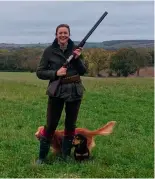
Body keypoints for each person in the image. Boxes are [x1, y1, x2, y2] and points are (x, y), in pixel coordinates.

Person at [35, 24, 87, 164]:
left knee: (71, 124)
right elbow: (40, 72)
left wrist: (77, 58)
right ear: (56, 34)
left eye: (65, 33)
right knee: (51, 124)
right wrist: (55, 73)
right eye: (60, 33)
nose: (63, 35)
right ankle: (41, 157)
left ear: (69, 34)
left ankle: (66, 156)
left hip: (74, 90)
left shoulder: (75, 50)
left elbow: (82, 71)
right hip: (57, 90)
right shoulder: (49, 51)